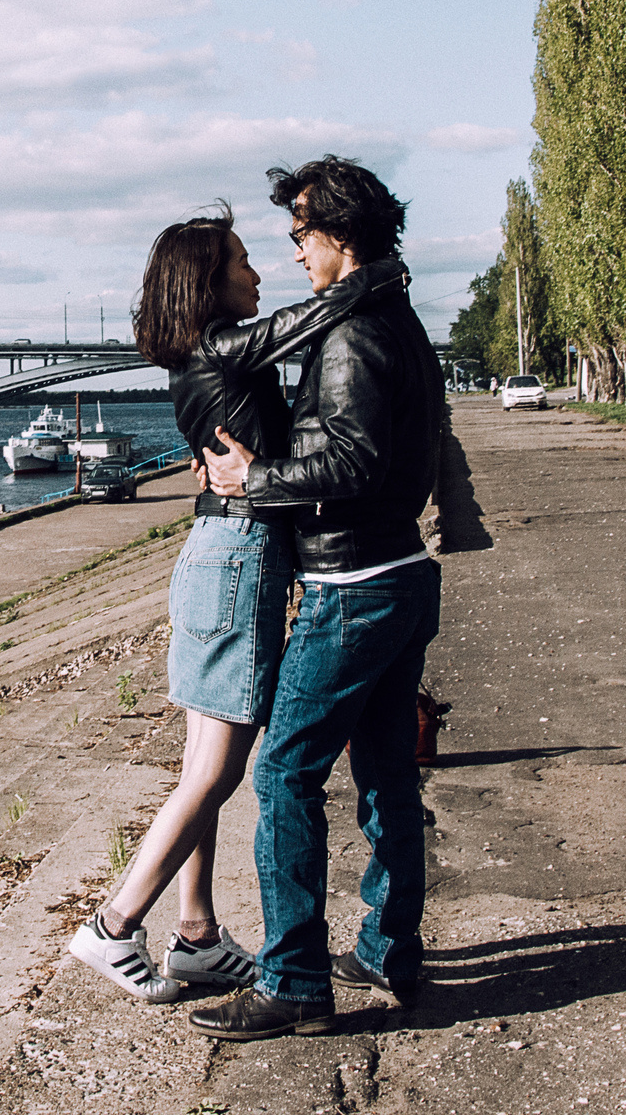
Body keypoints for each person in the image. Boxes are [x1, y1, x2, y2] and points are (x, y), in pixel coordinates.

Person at [65, 203, 406, 1003]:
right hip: (241, 558)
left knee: (200, 769)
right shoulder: (219, 346)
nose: (258, 274)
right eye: (244, 262)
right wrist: (380, 275)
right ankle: (113, 927)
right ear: (209, 285)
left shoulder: (201, 359)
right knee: (217, 772)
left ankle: (197, 935)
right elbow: (310, 315)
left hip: (217, 556)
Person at [190, 156, 450, 1042]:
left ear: (336, 233)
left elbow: (350, 459)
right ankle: (387, 948)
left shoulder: (353, 336)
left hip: (354, 588)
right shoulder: (393, 316)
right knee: (382, 777)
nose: (295, 253)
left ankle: (295, 980)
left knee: (285, 773)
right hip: (400, 575)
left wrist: (252, 477)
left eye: (301, 235)